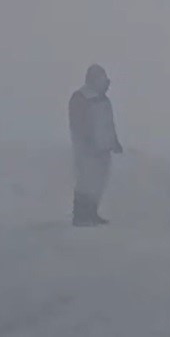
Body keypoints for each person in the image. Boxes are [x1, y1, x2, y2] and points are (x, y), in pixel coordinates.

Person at [69, 64, 123, 227]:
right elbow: (77, 123)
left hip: (103, 148)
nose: (106, 82)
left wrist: (114, 142)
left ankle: (92, 212)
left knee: (98, 182)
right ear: (92, 79)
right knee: (86, 181)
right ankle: (80, 215)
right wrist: (86, 141)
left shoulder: (103, 100)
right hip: (87, 149)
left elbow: (108, 124)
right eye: (101, 78)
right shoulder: (81, 98)